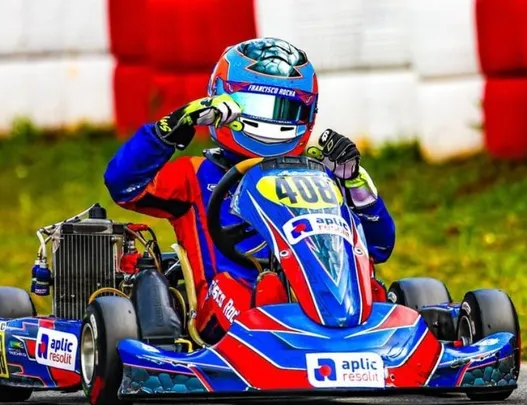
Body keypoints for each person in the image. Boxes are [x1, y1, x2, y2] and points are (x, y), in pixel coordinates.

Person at [104, 37, 395, 344]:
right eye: (257, 106)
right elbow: (124, 184)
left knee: (373, 293)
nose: (272, 119)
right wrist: (173, 126)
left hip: (316, 300)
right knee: (265, 292)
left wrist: (354, 183)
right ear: (223, 100)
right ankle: (294, 343)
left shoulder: (320, 177)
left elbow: (378, 248)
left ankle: (353, 336)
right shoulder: (195, 176)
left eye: (286, 109)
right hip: (229, 311)